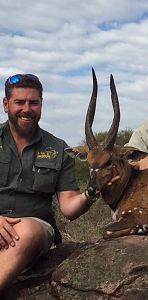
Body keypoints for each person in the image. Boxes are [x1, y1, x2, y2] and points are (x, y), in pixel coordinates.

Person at [0, 74, 98, 291]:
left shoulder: (58, 148)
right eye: (20, 102)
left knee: (25, 232)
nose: (27, 109)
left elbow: (69, 208)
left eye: (33, 103)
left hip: (34, 230)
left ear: (41, 105)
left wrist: (91, 192)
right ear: (6, 104)